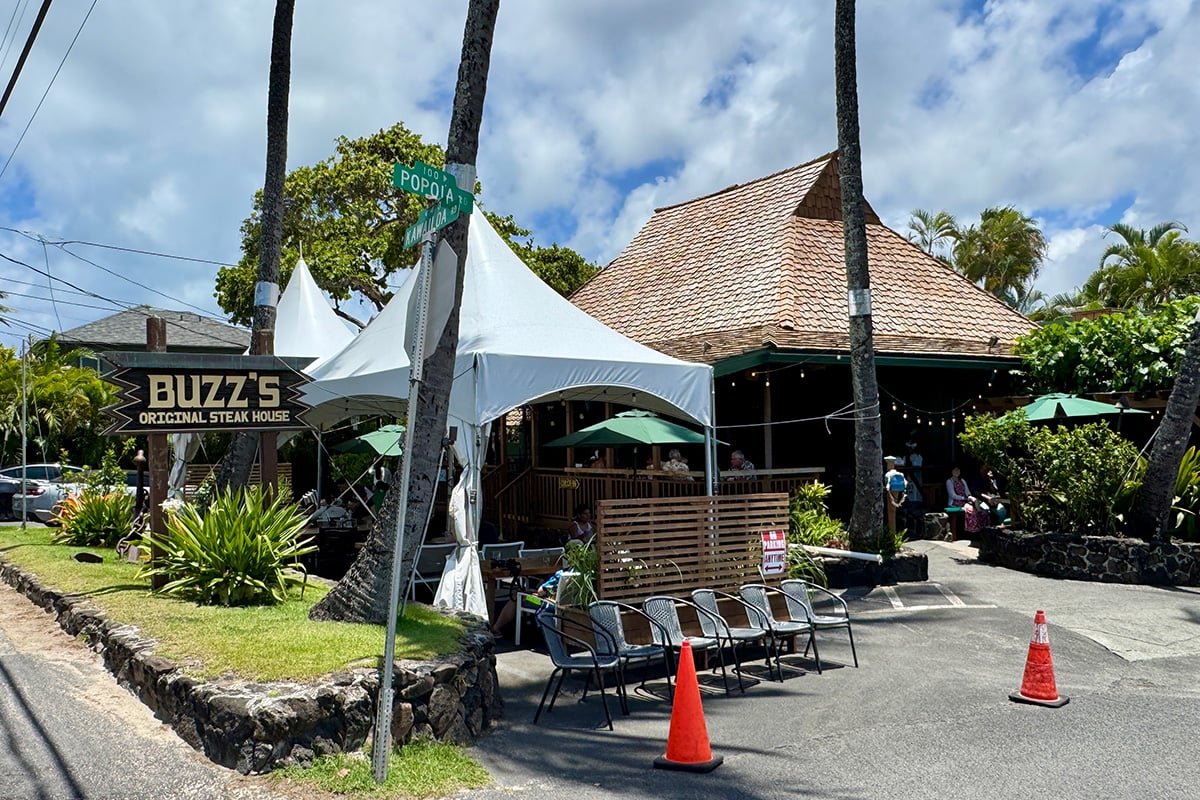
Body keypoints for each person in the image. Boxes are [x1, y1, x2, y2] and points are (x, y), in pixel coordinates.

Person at [490, 568, 564, 637]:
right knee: (528, 592)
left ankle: (496, 628)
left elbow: (541, 591)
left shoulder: (561, 574)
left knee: (517, 596)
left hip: (545, 603)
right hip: (562, 605)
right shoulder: (573, 573)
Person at [884, 455, 906, 533]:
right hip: (897, 490)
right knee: (893, 510)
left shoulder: (888, 474)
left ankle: (892, 532)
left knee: (891, 510)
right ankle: (893, 531)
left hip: (892, 490)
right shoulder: (899, 474)